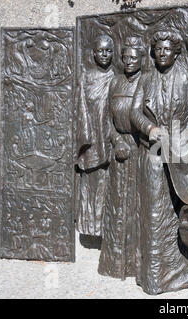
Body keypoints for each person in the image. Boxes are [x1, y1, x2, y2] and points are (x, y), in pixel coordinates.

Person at [130, 31, 188, 294]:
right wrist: (150, 128)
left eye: (167, 49)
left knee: (181, 211)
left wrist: (186, 139)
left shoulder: (185, 78)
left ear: (175, 52)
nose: (162, 54)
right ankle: (156, 276)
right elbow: (134, 111)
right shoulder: (146, 79)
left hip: (181, 156)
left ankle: (183, 272)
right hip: (153, 155)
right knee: (155, 214)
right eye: (158, 49)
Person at [98, 37, 145, 279]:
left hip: (141, 150)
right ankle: (114, 264)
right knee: (117, 205)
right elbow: (107, 119)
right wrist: (117, 141)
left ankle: (135, 265)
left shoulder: (145, 82)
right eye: (125, 57)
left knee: (137, 207)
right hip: (119, 151)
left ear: (142, 59)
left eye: (133, 58)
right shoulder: (115, 83)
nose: (128, 62)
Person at [75, 34, 115, 237]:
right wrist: (86, 137)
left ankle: (102, 225)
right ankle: (88, 225)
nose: (105, 55)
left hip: (109, 138)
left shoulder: (115, 77)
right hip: (91, 138)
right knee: (89, 185)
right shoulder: (86, 77)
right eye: (101, 51)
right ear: (93, 53)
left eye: (109, 51)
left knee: (104, 184)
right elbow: (80, 107)